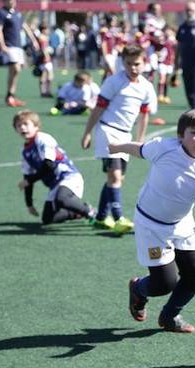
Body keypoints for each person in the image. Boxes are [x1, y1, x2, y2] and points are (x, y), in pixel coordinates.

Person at [109, 109, 195, 334]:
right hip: (151, 225)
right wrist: (117, 147)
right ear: (180, 135)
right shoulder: (164, 147)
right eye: (193, 132)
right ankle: (138, 288)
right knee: (163, 284)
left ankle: (169, 316)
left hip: (182, 224)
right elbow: (138, 149)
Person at [81, 44, 157, 235]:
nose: (133, 68)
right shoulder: (113, 82)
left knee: (117, 178)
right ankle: (118, 218)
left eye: (137, 64)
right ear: (122, 62)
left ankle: (100, 218)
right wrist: (87, 133)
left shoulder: (146, 87)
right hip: (107, 130)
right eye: (128, 63)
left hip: (125, 134)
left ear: (144, 63)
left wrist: (139, 141)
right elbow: (98, 109)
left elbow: (144, 115)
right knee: (114, 176)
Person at [13, 110, 95, 225]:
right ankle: (77, 212)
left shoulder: (43, 139)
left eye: (26, 124)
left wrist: (29, 180)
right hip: (55, 185)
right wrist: (29, 204)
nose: (22, 128)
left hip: (69, 177)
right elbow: (28, 177)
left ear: (36, 126)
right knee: (47, 219)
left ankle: (91, 212)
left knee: (61, 198)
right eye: (19, 125)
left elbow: (49, 166)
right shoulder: (25, 152)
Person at [0, 0, 39, 107]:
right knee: (15, 68)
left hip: (18, 47)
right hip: (9, 46)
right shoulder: (1, 13)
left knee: (16, 71)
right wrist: (2, 45)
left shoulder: (17, 13)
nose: (13, 2)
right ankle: (10, 96)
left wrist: (33, 40)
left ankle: (11, 95)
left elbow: (25, 27)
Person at [155, 25, 177, 104]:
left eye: (169, 30)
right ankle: (160, 95)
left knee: (166, 80)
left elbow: (176, 49)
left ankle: (165, 96)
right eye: (167, 30)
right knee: (162, 79)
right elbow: (158, 46)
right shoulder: (163, 39)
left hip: (170, 63)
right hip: (163, 62)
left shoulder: (173, 40)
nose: (168, 32)